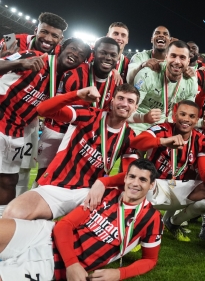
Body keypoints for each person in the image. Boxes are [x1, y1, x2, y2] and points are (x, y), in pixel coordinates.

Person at [0, 159, 163, 281]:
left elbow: (150, 259)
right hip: (46, 234)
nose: (135, 183)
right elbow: (65, 225)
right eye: (132, 177)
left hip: (54, 263)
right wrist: (72, 264)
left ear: (151, 185)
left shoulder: (151, 218)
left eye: (143, 180)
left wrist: (119, 273)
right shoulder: (106, 195)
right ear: (125, 178)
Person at [3, 84, 139, 220]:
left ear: (135, 108)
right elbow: (43, 109)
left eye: (130, 101)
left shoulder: (130, 137)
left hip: (90, 192)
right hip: (57, 186)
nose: (124, 104)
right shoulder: (89, 115)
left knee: (116, 219)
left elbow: (130, 175)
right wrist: (77, 94)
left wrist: (104, 182)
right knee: (13, 214)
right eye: (120, 98)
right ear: (113, 100)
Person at [0, 38, 90, 217]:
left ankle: (4, 223)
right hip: (1, 120)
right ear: (62, 48)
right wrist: (19, 62)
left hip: (17, 131)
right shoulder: (35, 57)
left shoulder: (61, 80)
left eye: (81, 55)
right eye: (73, 49)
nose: (75, 54)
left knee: (9, 181)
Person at [131, 101, 205, 241]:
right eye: (183, 114)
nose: (186, 119)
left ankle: (173, 222)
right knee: (138, 182)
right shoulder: (161, 129)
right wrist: (163, 141)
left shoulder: (200, 139)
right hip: (154, 186)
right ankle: (136, 232)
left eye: (192, 116)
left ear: (196, 120)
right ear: (175, 116)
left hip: (179, 186)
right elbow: (136, 142)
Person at [37, 37, 121, 179]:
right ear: (94, 54)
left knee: (78, 179)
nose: (108, 58)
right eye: (103, 53)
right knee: (45, 175)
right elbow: (57, 108)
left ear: (118, 58)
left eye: (113, 55)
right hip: (59, 131)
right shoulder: (74, 74)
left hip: (87, 137)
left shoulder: (116, 80)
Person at [129, 40, 198, 135]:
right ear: (166, 57)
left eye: (182, 57)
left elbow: (188, 116)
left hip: (165, 126)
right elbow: (128, 112)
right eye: (173, 56)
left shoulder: (191, 81)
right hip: (139, 124)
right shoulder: (148, 74)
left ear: (188, 61)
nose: (177, 61)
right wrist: (144, 117)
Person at [0, 12, 67, 57]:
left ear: (60, 39)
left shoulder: (61, 54)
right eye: (44, 32)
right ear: (36, 31)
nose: (48, 39)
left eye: (54, 36)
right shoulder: (11, 40)